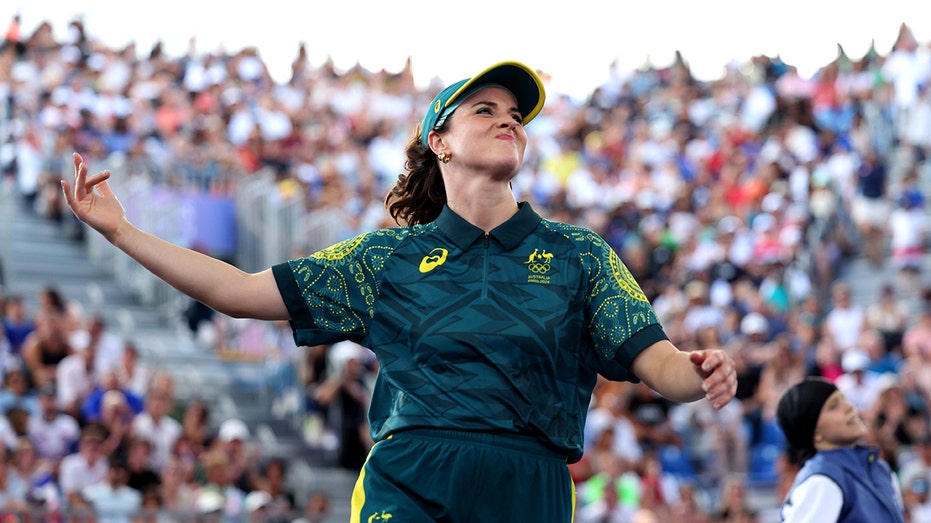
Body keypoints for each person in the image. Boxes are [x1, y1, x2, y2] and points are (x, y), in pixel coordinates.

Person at [62, 60, 737, 522]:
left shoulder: (578, 254)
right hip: (412, 476)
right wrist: (122, 232)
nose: (509, 120)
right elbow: (238, 290)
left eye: (515, 114)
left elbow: (658, 362)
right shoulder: (387, 257)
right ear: (438, 140)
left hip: (528, 485)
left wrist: (695, 371)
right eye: (486, 109)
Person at [776, 376, 906, 522]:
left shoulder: (880, 469)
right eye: (833, 406)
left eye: (843, 399)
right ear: (814, 432)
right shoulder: (822, 481)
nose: (849, 407)